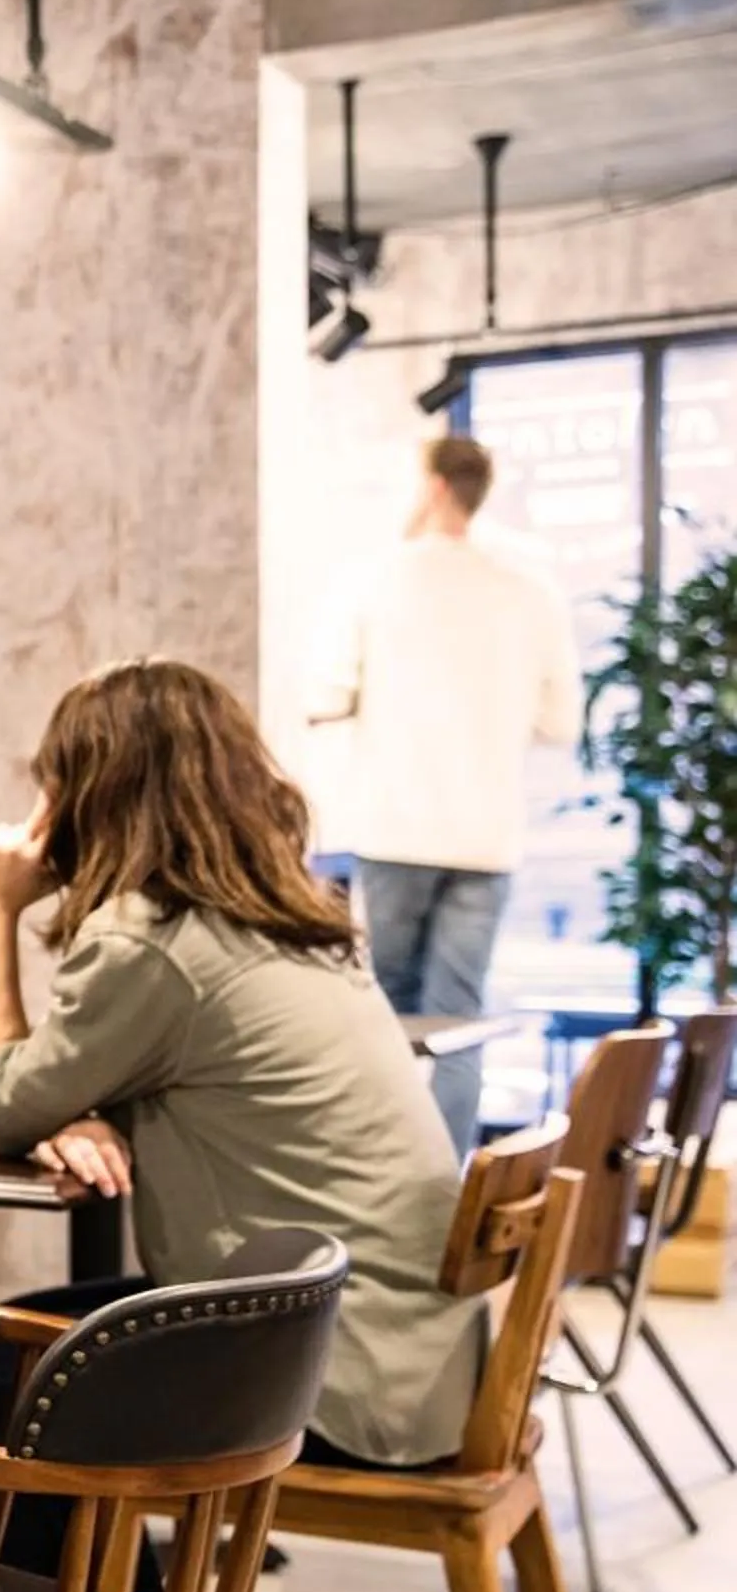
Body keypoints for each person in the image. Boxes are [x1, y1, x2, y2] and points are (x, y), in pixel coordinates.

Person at [0, 658, 480, 1473]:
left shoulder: (151, 942)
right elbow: (52, 1089)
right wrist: (75, 1101)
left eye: (51, 786)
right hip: (419, 1363)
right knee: (29, 1350)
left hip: (326, 1382)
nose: (36, 817)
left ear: (95, 797)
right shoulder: (294, 920)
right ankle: (131, 1590)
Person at [310, 435, 583, 1155]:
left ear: (431, 487)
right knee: (459, 1020)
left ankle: (389, 1182)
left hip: (395, 830)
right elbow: (561, 721)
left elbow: (326, 695)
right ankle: (446, 1187)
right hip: (487, 837)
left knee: (389, 1017)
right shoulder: (531, 588)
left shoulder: (377, 579)